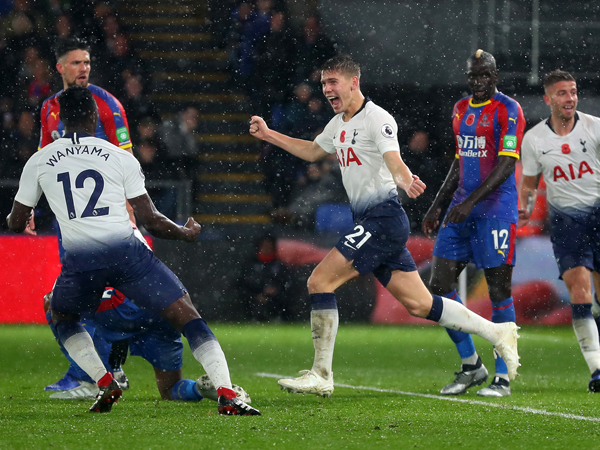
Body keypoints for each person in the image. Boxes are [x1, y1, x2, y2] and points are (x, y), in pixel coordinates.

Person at [249, 54, 520, 397]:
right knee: (421, 304)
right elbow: (313, 151)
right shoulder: (338, 124)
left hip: (383, 218)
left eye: (333, 83)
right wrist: (270, 135)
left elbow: (395, 160)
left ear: (353, 82)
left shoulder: (377, 118)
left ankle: (321, 373)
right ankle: (498, 334)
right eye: (323, 84)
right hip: (374, 222)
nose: (327, 90)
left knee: (319, 281)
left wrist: (406, 181)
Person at [7, 86, 259, 416]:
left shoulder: (39, 161)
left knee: (61, 315)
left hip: (81, 263)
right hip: (127, 255)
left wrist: (24, 217)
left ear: (61, 120)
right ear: (95, 116)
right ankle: (226, 392)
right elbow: (151, 221)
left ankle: (104, 380)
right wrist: (186, 233)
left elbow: (15, 222)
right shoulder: (119, 156)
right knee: (187, 316)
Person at [422, 49, 526, 397]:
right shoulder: (460, 109)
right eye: (473, 76)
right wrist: (437, 205)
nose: (478, 81)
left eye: (485, 75)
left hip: (494, 211)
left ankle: (503, 375)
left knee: (498, 291)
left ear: (495, 75)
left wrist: (469, 202)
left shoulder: (508, 110)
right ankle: (471, 365)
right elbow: (458, 160)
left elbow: (506, 164)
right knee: (438, 286)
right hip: (459, 211)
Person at [37, 36, 135, 393]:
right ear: (60, 67)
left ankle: (91, 375)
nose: (84, 69)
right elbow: (43, 160)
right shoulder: (49, 107)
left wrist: (128, 204)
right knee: (85, 294)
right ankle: (106, 369)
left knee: (93, 294)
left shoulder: (107, 104)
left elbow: (126, 155)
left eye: (88, 62)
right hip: (70, 217)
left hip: (103, 216)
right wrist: (33, 204)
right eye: (77, 63)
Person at [518, 69, 600, 392]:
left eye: (574, 92)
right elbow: (529, 184)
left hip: (598, 215)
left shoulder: (594, 128)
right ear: (548, 98)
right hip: (566, 224)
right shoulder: (534, 139)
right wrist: (524, 210)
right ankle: (597, 370)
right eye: (563, 93)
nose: (570, 99)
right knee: (579, 293)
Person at [44, 288, 252, 405]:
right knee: (170, 390)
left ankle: (92, 377)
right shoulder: (132, 236)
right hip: (159, 310)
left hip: (119, 307)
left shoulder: (93, 237)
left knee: (55, 303)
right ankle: (200, 388)